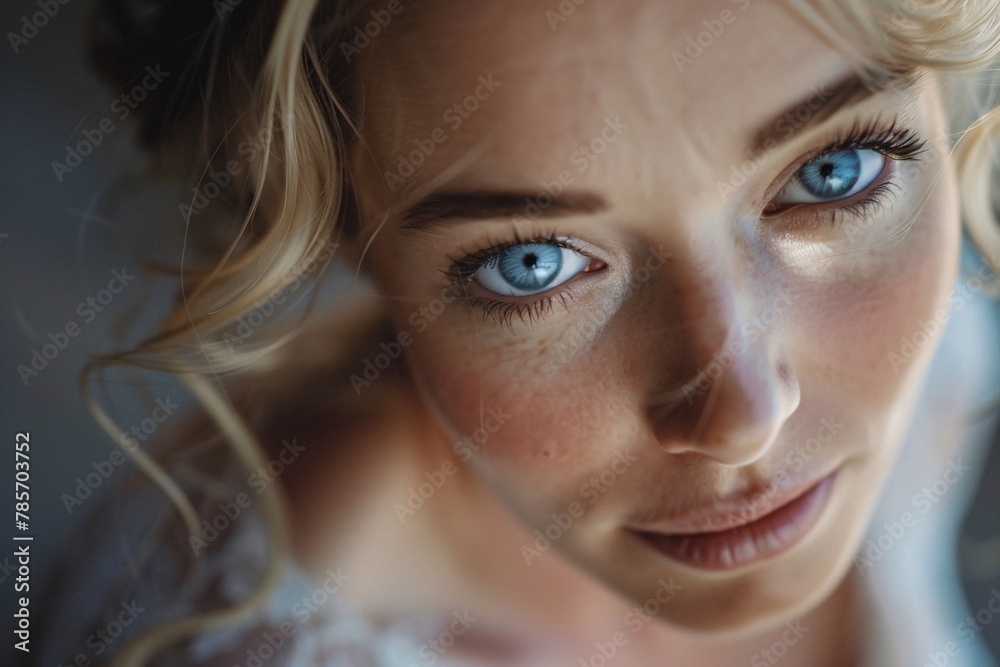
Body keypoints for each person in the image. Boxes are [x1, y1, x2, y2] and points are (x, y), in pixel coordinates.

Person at [39, 0, 1000, 665]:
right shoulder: (235, 638)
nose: (742, 414)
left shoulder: (940, 353)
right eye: (532, 262)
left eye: (835, 174)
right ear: (350, 236)